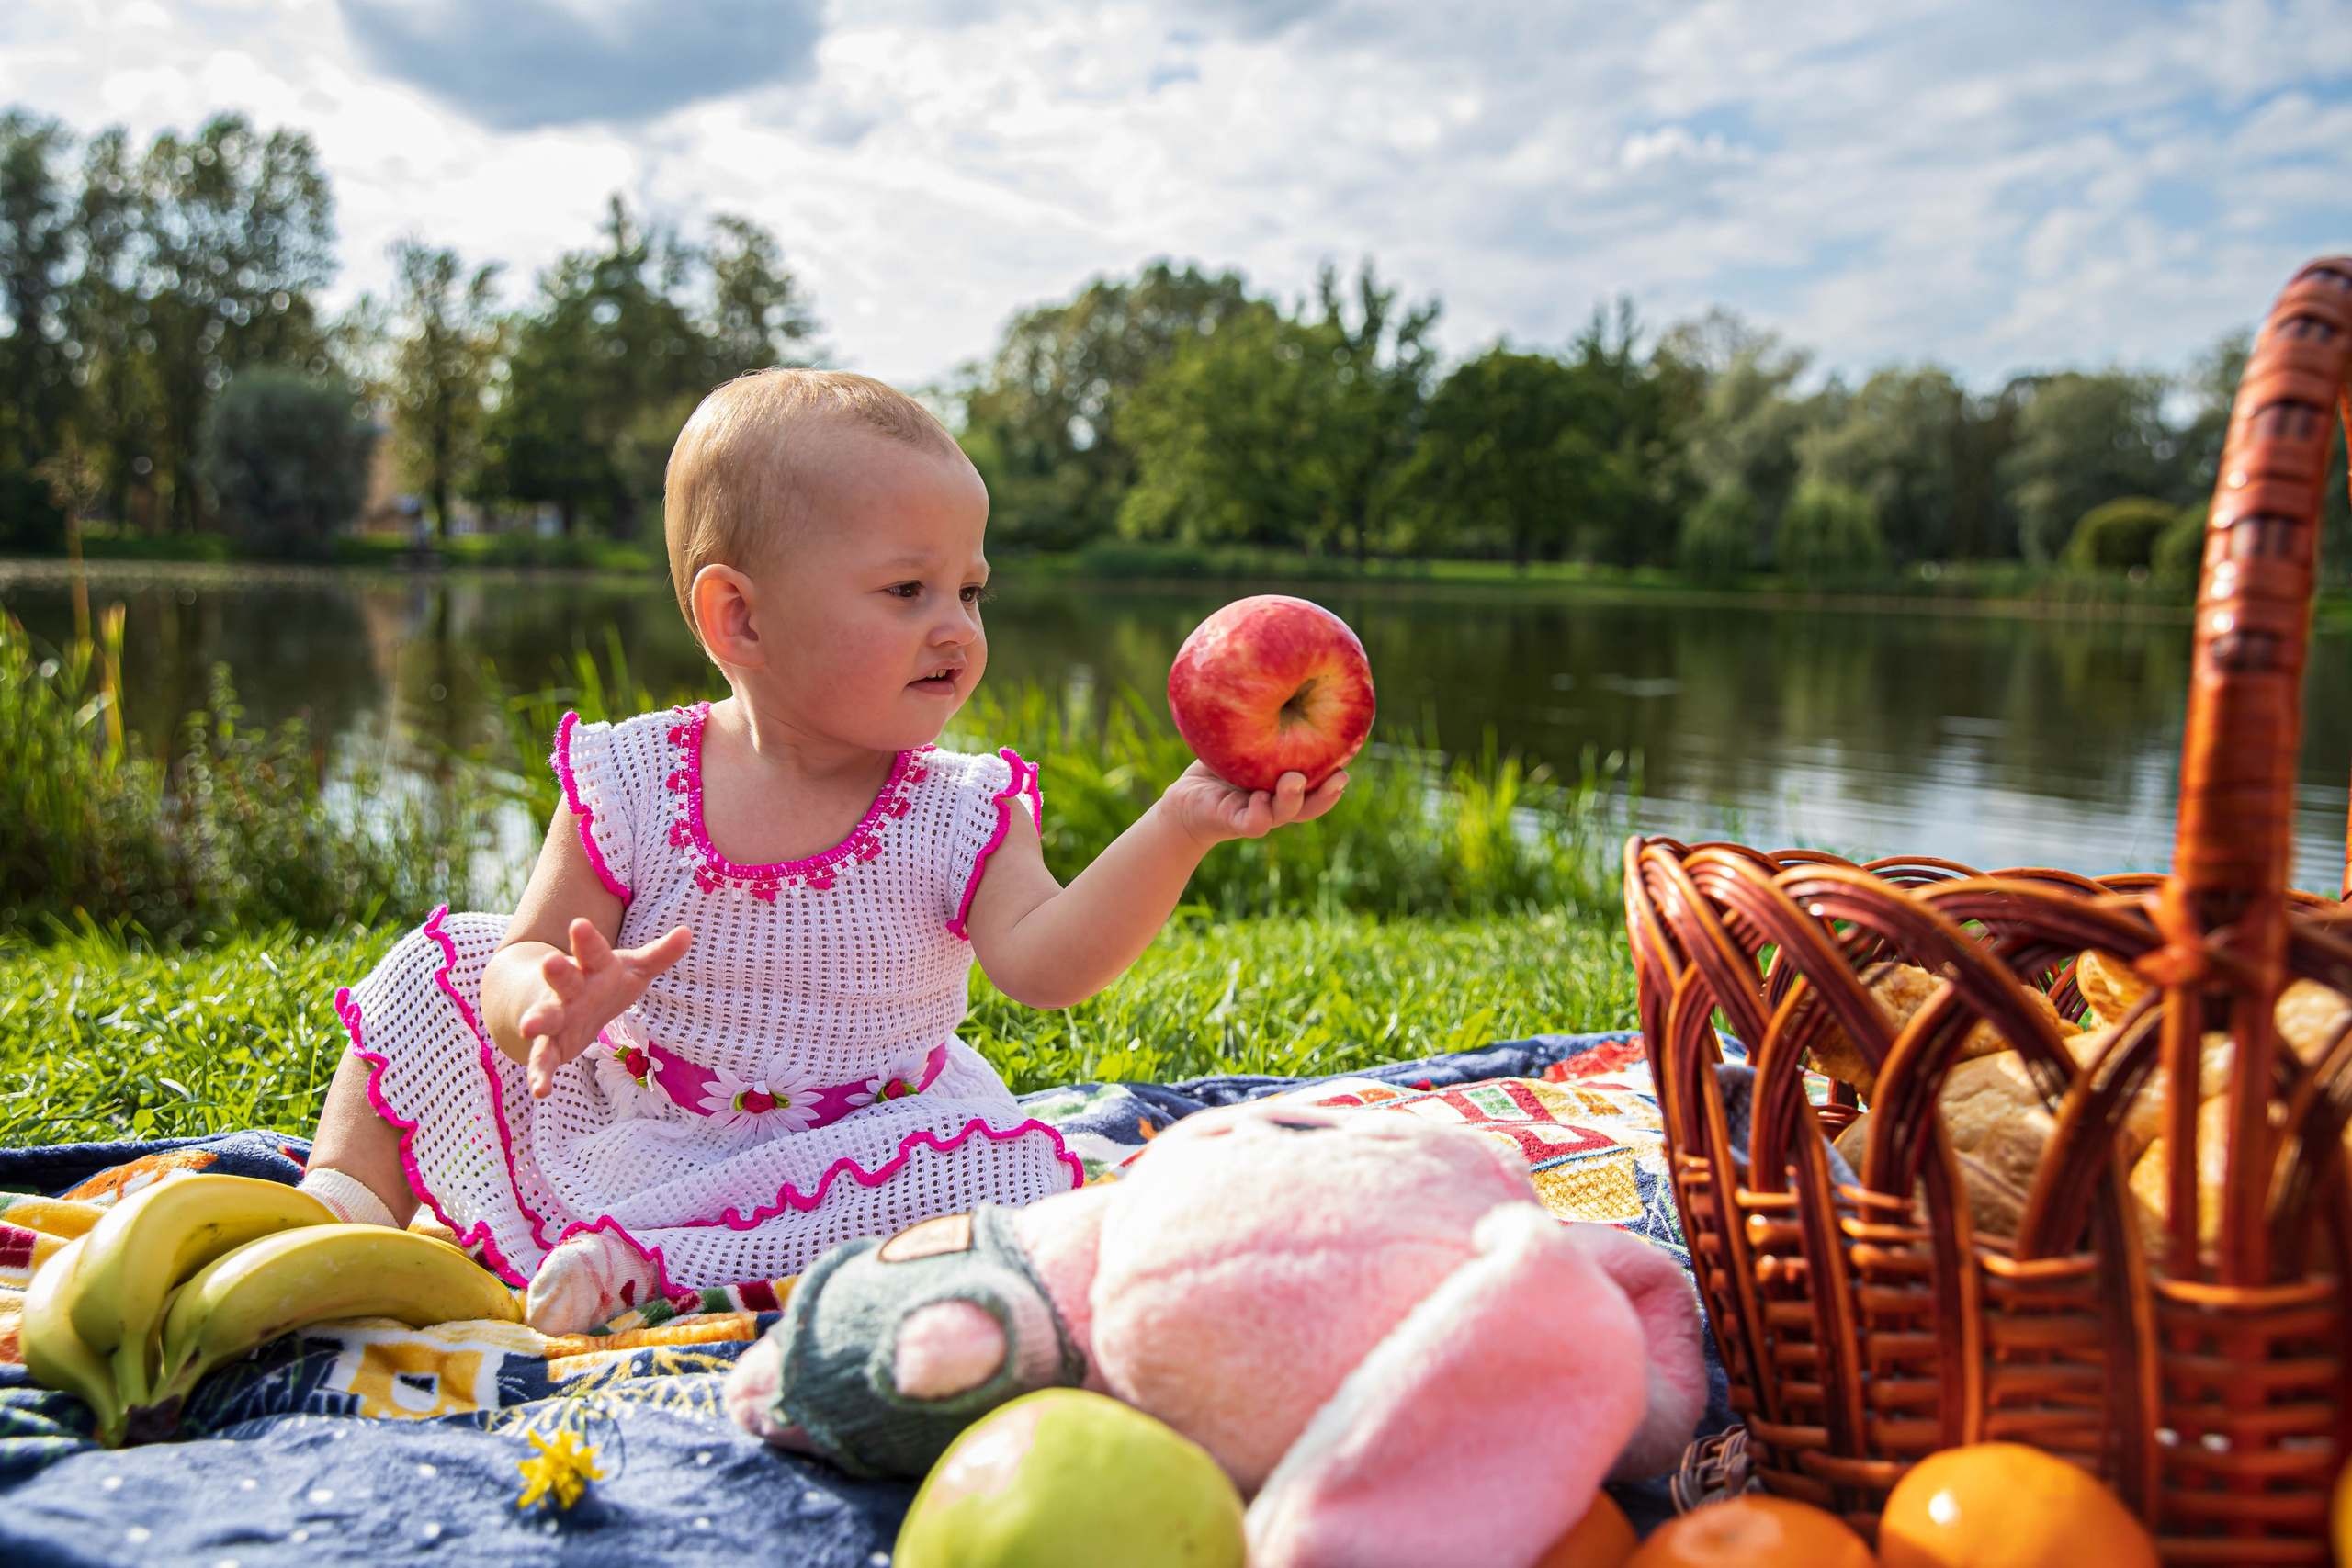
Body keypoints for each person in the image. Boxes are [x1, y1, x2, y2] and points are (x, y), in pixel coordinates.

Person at [300, 370, 1351, 1333]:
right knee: (427, 982)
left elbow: (1046, 965)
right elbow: (521, 954)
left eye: (970, 591)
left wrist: (1180, 825)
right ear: (740, 618)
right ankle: (331, 1216)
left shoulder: (959, 808)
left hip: (860, 1149)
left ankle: (654, 1267)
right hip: (647, 1116)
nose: (958, 629)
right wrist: (545, 997)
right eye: (908, 592)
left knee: (991, 1181)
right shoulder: (630, 781)